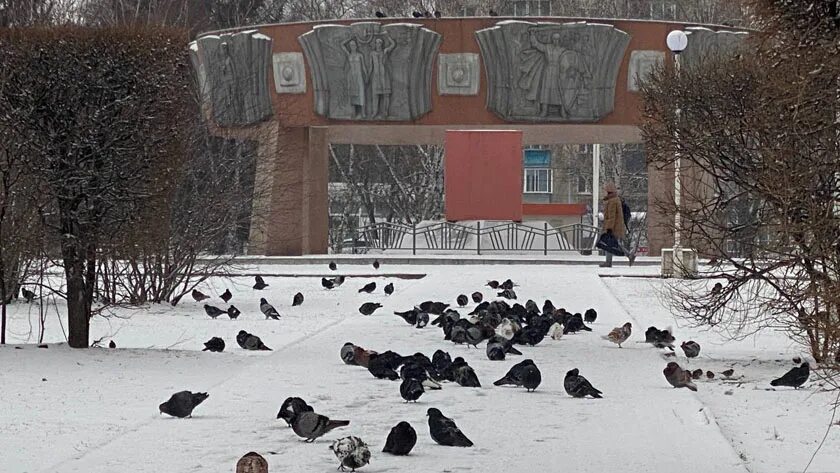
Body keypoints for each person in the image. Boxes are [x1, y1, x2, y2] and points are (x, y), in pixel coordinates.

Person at [600, 183, 635, 267]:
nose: (604, 192)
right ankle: (629, 255)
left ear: (609, 192)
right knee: (613, 243)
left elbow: (612, 216)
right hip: (616, 225)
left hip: (613, 226)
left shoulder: (612, 201)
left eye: (605, 191)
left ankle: (608, 262)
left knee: (609, 243)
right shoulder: (614, 200)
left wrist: (609, 227)